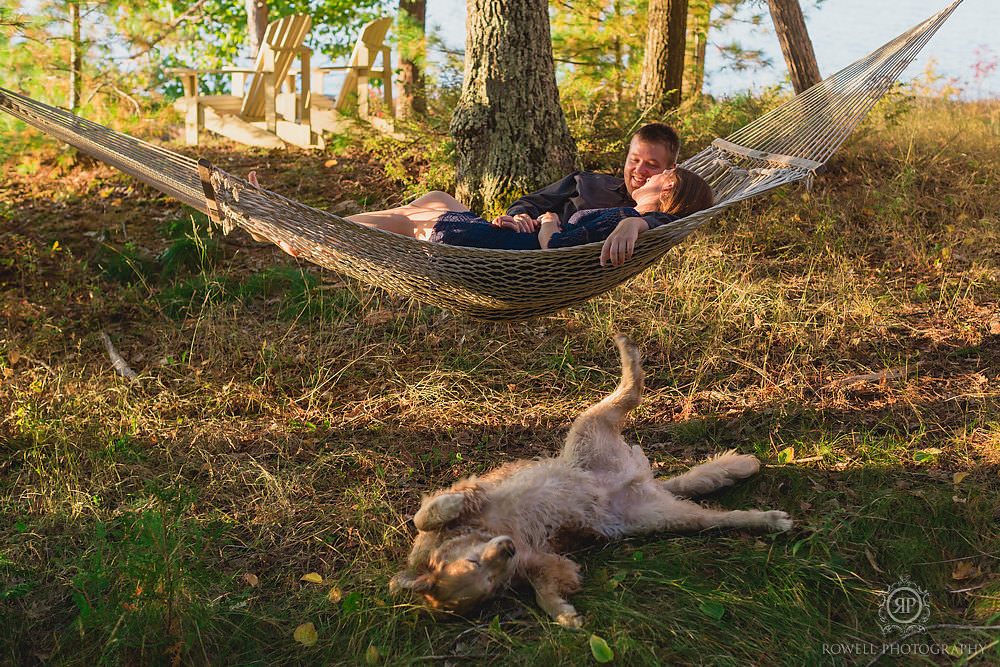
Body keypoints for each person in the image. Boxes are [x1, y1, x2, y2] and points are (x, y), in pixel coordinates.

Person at [248, 167, 713, 267]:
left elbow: (560, 247)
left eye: (661, 173)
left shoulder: (633, 220)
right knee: (435, 196)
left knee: (414, 222)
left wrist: (547, 223)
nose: (650, 175)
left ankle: (310, 233)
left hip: (502, 254)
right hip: (514, 240)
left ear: (668, 189)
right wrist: (527, 221)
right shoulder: (631, 218)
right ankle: (315, 227)